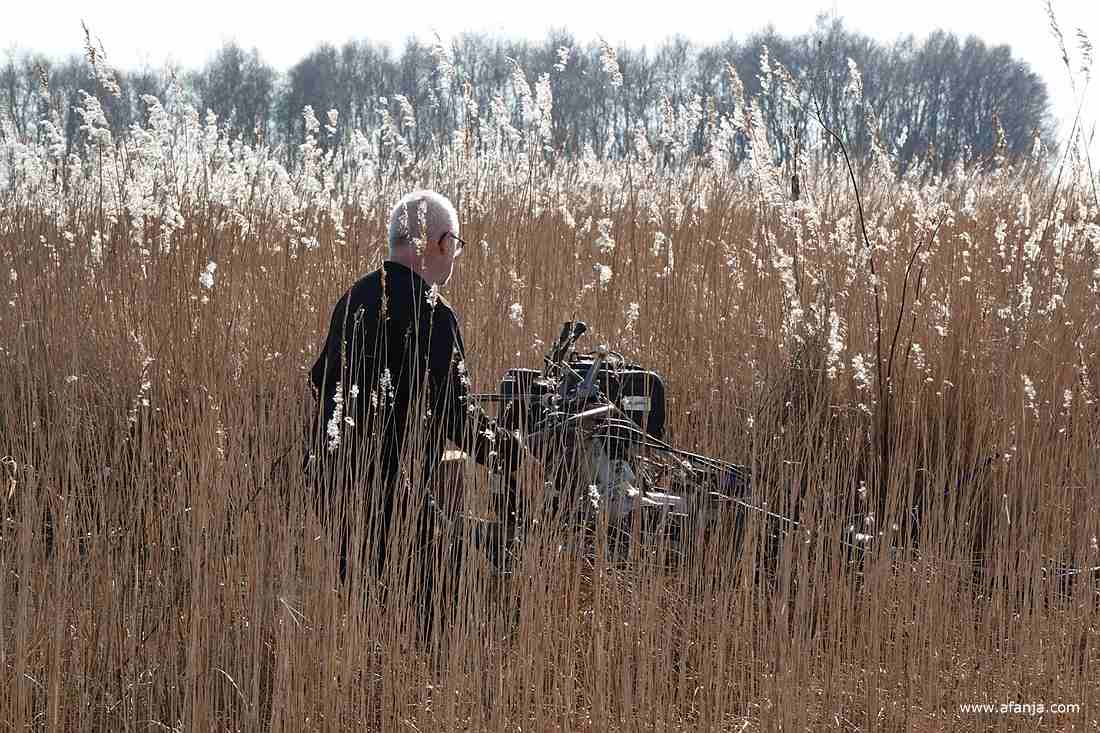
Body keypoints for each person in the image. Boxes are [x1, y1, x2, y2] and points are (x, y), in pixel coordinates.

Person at [305, 190, 525, 629]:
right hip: (390, 498)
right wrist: (512, 454)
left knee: (365, 614)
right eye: (456, 245)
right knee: (442, 611)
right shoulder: (434, 313)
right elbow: (455, 415)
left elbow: (318, 379)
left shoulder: (353, 297)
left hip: (330, 490)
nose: (455, 257)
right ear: (440, 243)